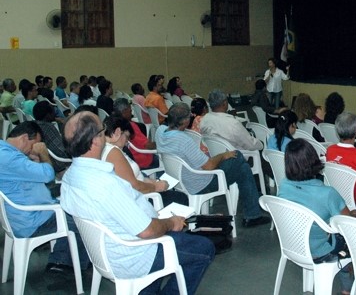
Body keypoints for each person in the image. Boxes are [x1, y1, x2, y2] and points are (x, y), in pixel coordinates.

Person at [61, 111, 214, 294]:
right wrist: (171, 223)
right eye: (102, 131)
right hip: (135, 254)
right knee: (204, 248)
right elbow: (147, 231)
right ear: (95, 140)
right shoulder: (104, 183)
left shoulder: (71, 176)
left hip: (109, 250)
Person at [157, 102, 271, 227]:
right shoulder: (183, 140)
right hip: (201, 183)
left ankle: (253, 210)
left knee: (243, 169)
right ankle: (253, 210)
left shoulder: (160, 131)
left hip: (179, 181)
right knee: (238, 157)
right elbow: (209, 166)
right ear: (184, 121)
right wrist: (223, 156)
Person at [0, 121, 89, 273]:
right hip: (33, 221)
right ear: (24, 138)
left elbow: (28, 176)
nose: (32, 149)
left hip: (25, 215)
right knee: (84, 218)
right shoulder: (9, 158)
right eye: (35, 143)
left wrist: (34, 161)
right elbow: (48, 175)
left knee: (70, 207)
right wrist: (43, 153)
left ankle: (63, 257)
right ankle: (63, 262)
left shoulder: (6, 152)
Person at [278, 138, 356, 294]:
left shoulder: (283, 186)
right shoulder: (327, 193)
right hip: (320, 251)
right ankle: (348, 287)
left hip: (293, 245)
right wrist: (354, 214)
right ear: (313, 160)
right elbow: (347, 224)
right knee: (350, 240)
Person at [102, 115, 188, 206]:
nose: (127, 142)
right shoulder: (113, 152)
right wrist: (155, 187)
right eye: (127, 137)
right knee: (181, 198)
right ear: (117, 133)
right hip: (139, 199)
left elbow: (131, 178)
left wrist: (149, 181)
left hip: (140, 192)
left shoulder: (108, 149)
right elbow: (134, 186)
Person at [112, 98, 159, 170]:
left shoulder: (112, 124)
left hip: (127, 161)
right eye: (130, 111)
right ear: (124, 112)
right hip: (143, 161)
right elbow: (149, 146)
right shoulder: (130, 126)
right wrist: (160, 143)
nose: (131, 113)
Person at [33, 101, 70, 177]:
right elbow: (61, 150)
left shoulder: (35, 125)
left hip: (45, 163)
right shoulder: (48, 128)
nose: (55, 114)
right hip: (60, 166)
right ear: (48, 115)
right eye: (53, 112)